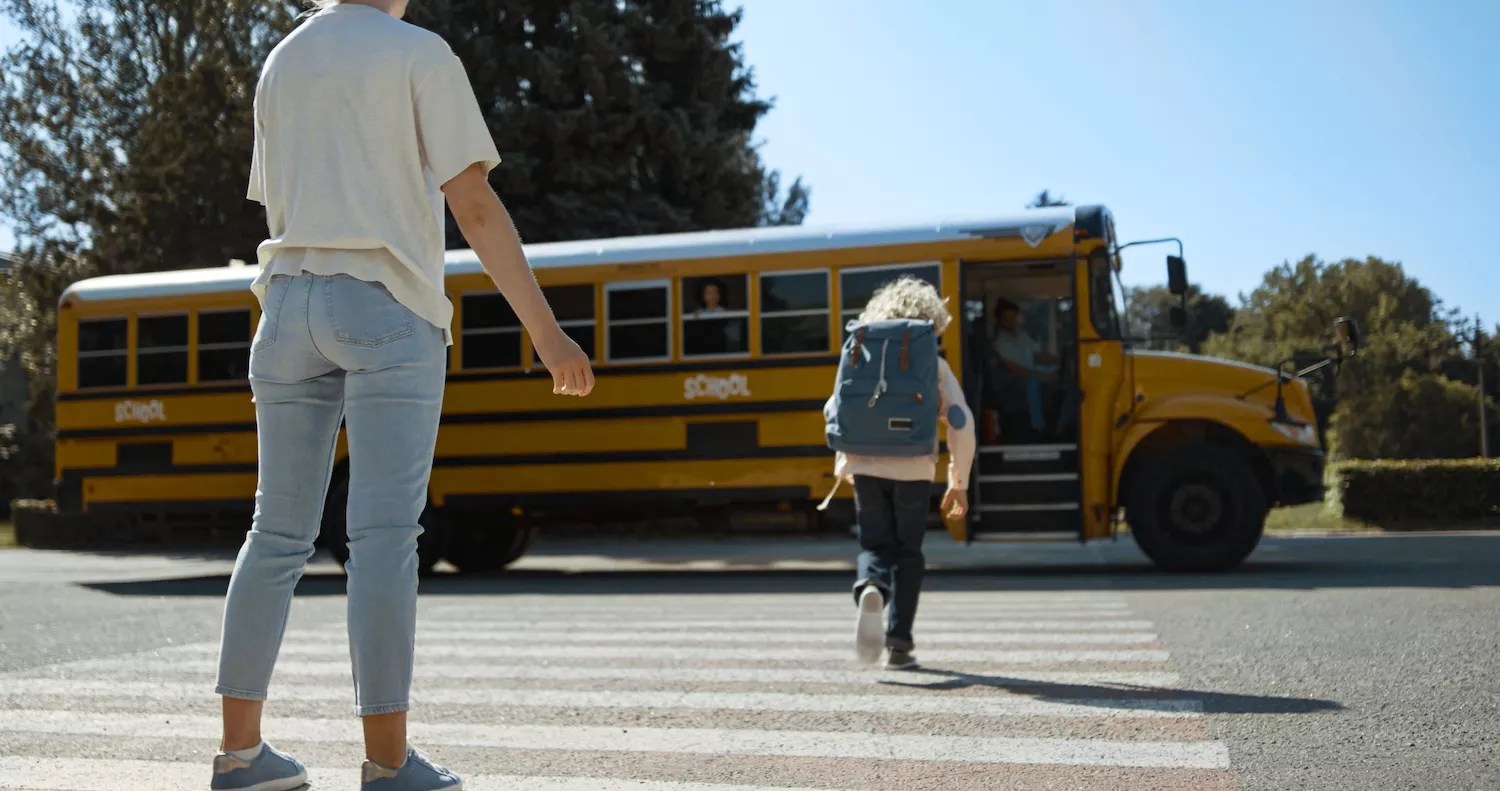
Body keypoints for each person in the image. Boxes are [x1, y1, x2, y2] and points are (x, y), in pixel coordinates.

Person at [211, 2, 594, 790]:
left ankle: (240, 754)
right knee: (382, 536)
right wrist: (547, 332)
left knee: (276, 531)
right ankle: (388, 764)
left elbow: (281, 200)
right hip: (386, 305)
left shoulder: (282, 58)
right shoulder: (420, 54)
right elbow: (475, 204)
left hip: (284, 306)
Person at [829, 276, 975, 670]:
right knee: (908, 552)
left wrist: (846, 462)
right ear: (931, 317)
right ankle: (899, 643)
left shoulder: (860, 351)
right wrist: (957, 483)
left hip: (864, 465)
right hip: (914, 468)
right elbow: (961, 422)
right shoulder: (934, 363)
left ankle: (872, 588)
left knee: (874, 546)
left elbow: (834, 410)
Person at [990, 297, 1061, 435]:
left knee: (1059, 374)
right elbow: (1015, 370)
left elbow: (1038, 355)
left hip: (1032, 373)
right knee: (1032, 384)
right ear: (1001, 320)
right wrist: (1043, 376)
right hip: (1013, 382)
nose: (1012, 322)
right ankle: (1038, 427)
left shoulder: (1022, 335)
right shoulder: (1000, 343)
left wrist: (1060, 360)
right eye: (1008, 318)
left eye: (1014, 317)